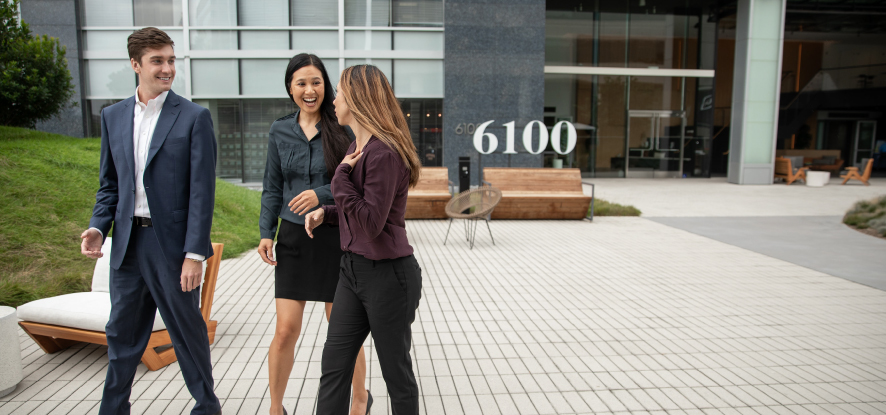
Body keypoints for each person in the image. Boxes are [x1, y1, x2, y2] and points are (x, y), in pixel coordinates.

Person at [79, 27, 221, 415]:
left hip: (172, 248)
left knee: (187, 334)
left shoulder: (194, 117)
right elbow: (110, 185)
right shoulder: (113, 116)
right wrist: (97, 226)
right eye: (157, 61)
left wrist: (195, 253)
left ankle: (207, 409)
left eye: (171, 60)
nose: (167, 69)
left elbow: (201, 193)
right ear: (135, 64)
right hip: (126, 246)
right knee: (121, 335)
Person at [305, 65, 423, 415]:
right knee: (334, 368)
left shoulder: (383, 154)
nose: (334, 98)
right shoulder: (358, 145)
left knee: (396, 376)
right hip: (353, 271)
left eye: (339, 92)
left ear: (356, 99)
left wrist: (340, 176)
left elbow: (371, 222)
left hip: (388, 277)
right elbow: (362, 210)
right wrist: (327, 213)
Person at [257, 53, 370, 415]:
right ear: (290, 87)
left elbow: (358, 182)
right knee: (286, 330)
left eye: (317, 82)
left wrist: (321, 195)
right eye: (301, 83)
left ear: (326, 86)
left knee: (342, 330)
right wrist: (265, 233)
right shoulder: (279, 130)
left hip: (335, 235)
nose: (310, 90)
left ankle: (359, 400)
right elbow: (272, 186)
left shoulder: (344, 127)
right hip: (292, 240)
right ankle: (276, 408)